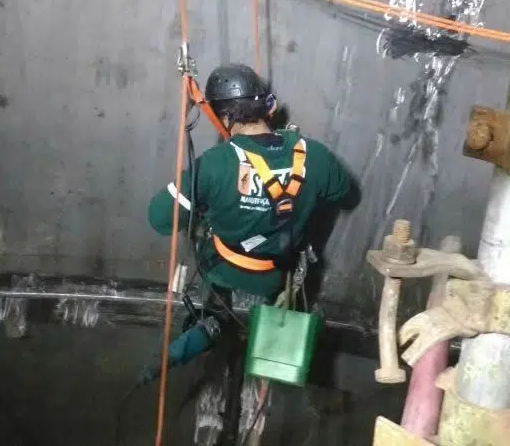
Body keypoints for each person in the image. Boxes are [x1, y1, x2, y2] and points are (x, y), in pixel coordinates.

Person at [142, 63, 358, 378]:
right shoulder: (315, 156)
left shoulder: (215, 165)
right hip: (278, 275)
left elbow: (159, 218)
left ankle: (213, 320)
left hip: (223, 268)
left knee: (209, 259)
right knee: (281, 304)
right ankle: (268, 351)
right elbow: (345, 194)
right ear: (268, 107)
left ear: (223, 117)